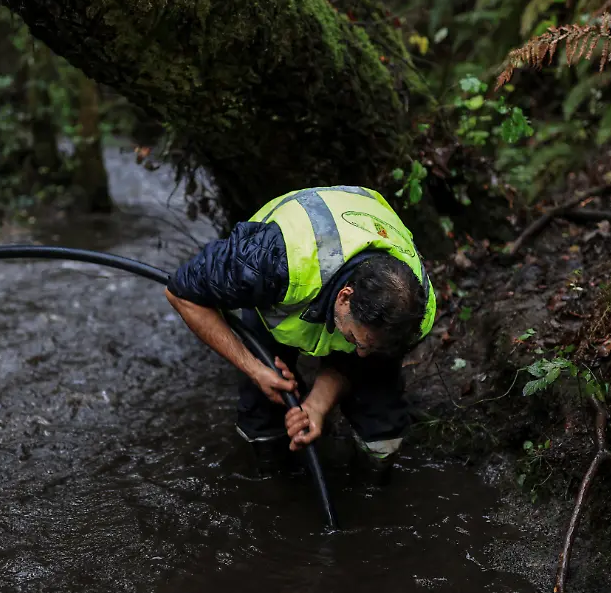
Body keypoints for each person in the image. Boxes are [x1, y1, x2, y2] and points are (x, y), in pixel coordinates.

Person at [164, 185, 436, 479]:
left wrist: (317, 405)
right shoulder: (269, 260)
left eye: (369, 346)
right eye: (355, 340)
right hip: (276, 293)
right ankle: (272, 475)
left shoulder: (414, 316)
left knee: (381, 425)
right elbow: (182, 294)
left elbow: (359, 361)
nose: (360, 354)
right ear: (345, 297)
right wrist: (255, 369)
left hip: (354, 281)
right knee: (262, 413)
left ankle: (373, 476)